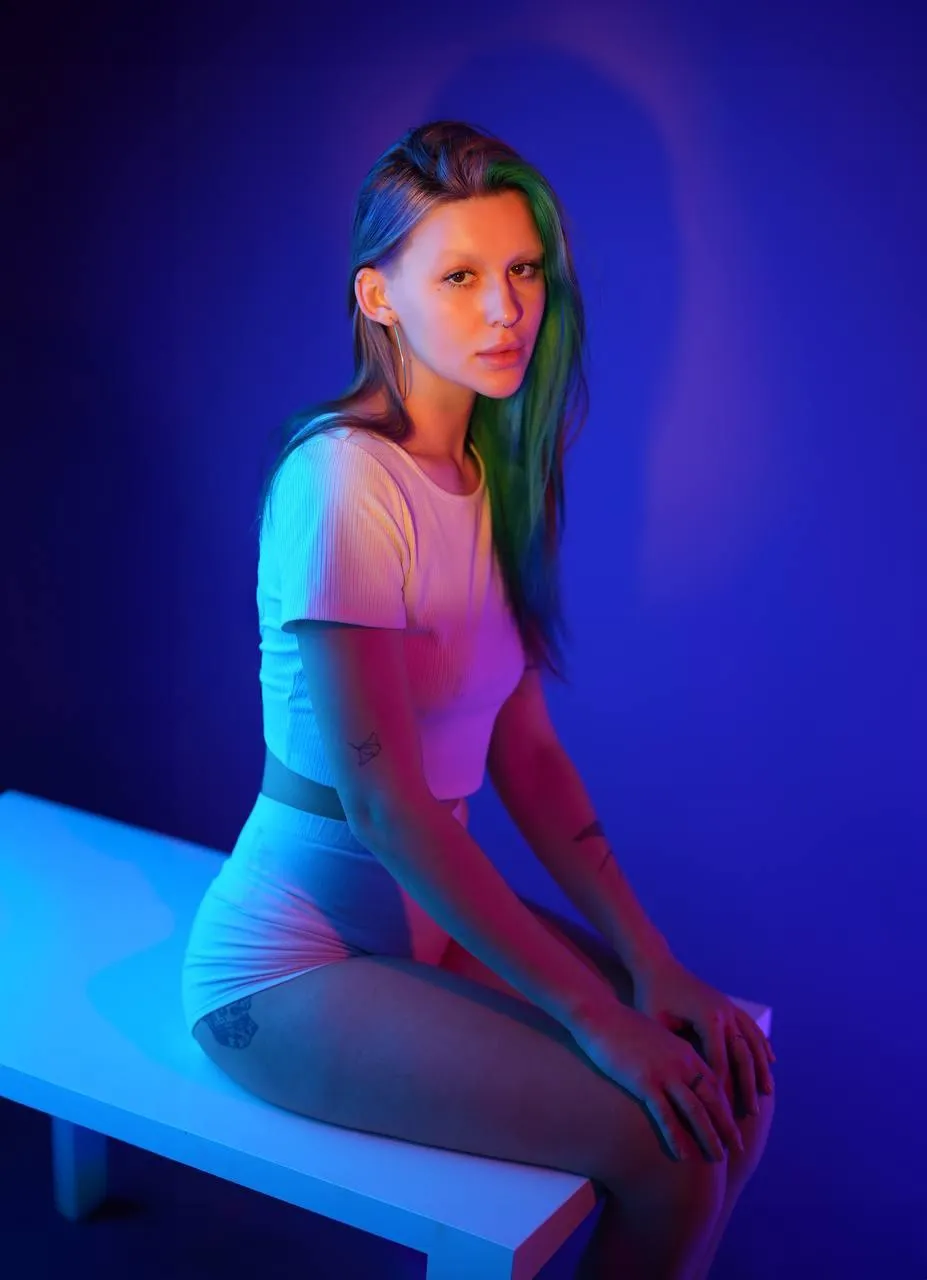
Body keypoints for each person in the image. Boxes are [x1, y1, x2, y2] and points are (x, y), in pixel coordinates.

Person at [180, 120, 775, 1278]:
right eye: (460, 275)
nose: (505, 308)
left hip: (432, 923)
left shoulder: (496, 476)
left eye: (523, 271)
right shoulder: (341, 480)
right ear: (379, 295)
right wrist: (600, 1018)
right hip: (289, 962)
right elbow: (388, 808)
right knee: (675, 1148)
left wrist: (648, 962)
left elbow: (530, 756)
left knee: (729, 1086)